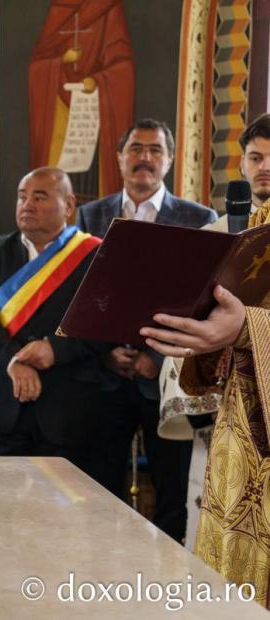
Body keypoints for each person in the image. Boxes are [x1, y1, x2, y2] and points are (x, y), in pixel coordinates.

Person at [76, 118, 217, 543]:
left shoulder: (198, 218)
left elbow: (204, 300)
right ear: (120, 157)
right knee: (99, 490)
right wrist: (103, 352)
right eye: (136, 148)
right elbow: (81, 294)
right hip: (104, 376)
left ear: (169, 160)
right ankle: (99, 567)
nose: (145, 158)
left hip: (167, 379)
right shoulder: (89, 215)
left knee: (172, 495)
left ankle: (166, 576)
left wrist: (154, 356)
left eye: (155, 150)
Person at [140, 203, 270, 605]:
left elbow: (247, 318)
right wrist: (205, 328)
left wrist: (246, 327)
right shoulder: (262, 218)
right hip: (245, 434)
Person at [156, 112, 270, 549]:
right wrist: (205, 356)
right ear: (241, 164)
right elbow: (188, 324)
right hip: (224, 418)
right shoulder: (212, 235)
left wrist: (244, 330)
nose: (264, 167)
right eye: (255, 157)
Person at [0, 167, 110, 482]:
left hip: (70, 411)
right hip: (4, 405)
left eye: (39, 197)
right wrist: (14, 361)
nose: (27, 205)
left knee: (67, 510)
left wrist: (56, 350)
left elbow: (106, 324)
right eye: (22, 197)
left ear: (69, 205)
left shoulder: (95, 254)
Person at [28, 0, 134, 202]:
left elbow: (122, 66)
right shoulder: (59, 7)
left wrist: (98, 81)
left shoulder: (108, 7)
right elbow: (37, 66)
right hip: (59, 106)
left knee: (91, 185)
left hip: (94, 108)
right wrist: (61, 61)